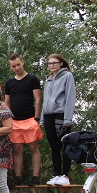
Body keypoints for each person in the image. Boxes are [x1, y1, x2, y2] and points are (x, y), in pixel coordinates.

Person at [4, 54, 43, 186]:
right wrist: (7, 119)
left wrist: (36, 118)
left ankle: (35, 177)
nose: (17, 68)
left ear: (23, 63)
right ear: (11, 67)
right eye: (13, 66)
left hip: (30, 118)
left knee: (33, 147)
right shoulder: (9, 83)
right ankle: (18, 177)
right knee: (17, 149)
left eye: (18, 64)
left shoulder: (32, 79)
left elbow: (38, 99)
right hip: (15, 120)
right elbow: (7, 103)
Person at [42, 53, 77, 185]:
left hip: (61, 115)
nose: (51, 65)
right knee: (53, 147)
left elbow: (70, 97)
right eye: (49, 63)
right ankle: (57, 175)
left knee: (64, 145)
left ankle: (65, 175)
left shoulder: (67, 76)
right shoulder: (48, 79)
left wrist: (68, 118)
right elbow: (45, 99)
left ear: (61, 64)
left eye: (54, 63)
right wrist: (42, 118)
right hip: (48, 115)